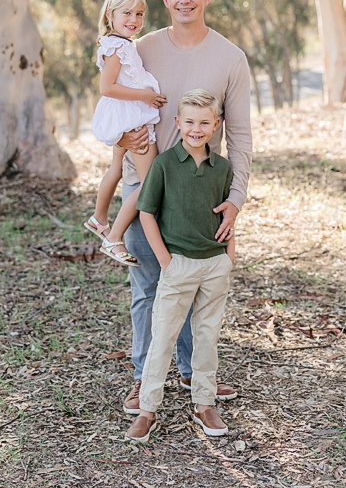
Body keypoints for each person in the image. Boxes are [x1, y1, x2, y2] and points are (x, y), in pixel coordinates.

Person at [118, 0, 252, 416]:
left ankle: (196, 372)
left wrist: (234, 200)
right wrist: (120, 141)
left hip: (202, 193)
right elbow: (112, 104)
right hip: (144, 187)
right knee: (149, 286)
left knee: (198, 287)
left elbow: (241, 137)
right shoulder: (141, 49)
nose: (185, 0)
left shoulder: (230, 58)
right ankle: (143, 379)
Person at [124, 90, 235, 442]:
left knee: (207, 336)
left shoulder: (223, 168)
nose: (196, 129)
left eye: (204, 123)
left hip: (215, 265)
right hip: (178, 265)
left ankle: (204, 403)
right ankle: (147, 410)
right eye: (189, 122)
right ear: (178, 123)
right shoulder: (165, 164)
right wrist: (165, 261)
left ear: (216, 126)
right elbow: (145, 212)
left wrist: (228, 257)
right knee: (164, 338)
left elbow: (228, 216)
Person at [84, 0, 167, 266]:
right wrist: (144, 95)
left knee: (117, 168)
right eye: (127, 13)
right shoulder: (117, 47)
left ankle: (99, 218)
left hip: (124, 115)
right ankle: (113, 236)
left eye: (139, 14)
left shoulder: (118, 44)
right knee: (150, 182)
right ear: (110, 14)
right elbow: (106, 87)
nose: (134, 20)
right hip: (132, 118)